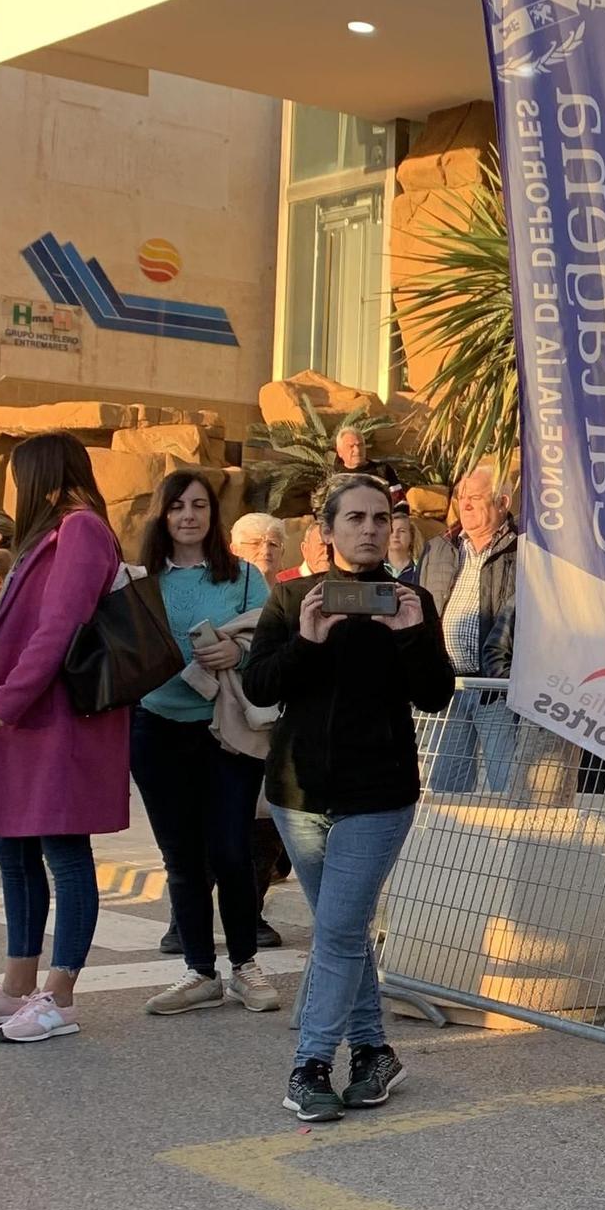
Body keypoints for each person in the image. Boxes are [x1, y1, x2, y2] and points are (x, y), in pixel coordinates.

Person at [244, 473, 455, 1120]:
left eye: (378, 519)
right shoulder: (293, 601)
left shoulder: (408, 599)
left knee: (335, 931)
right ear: (327, 532)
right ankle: (372, 1051)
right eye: (354, 519)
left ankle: (311, 1064)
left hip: (377, 795)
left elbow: (435, 694)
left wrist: (413, 634)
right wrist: (307, 640)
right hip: (297, 794)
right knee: (345, 928)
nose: (368, 529)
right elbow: (259, 687)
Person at [0, 434, 131, 1043]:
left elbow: (60, 628)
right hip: (28, 721)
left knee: (65, 855)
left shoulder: (81, 529)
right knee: (14, 850)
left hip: (54, 718)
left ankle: (60, 995)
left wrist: (4, 703)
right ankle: (19, 981)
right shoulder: (50, 533)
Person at [130, 471, 280, 1017]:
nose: (188, 515)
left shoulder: (243, 578)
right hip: (155, 727)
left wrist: (237, 657)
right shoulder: (139, 579)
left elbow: (271, 647)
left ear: (214, 516)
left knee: (230, 850)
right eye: (177, 506)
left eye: (199, 505)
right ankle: (198, 972)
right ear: (162, 515)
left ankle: (244, 965)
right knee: (182, 858)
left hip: (226, 732)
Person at [418, 461, 518, 794]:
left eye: (476, 496)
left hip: (496, 689)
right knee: (445, 786)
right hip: (448, 685)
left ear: (503, 503)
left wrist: (506, 673)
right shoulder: (439, 548)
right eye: (462, 497)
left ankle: (513, 847)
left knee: (509, 784)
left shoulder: (523, 551)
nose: (467, 504)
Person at [228, 512, 294, 951]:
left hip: (276, 729)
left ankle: (252, 913)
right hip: (225, 724)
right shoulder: (225, 593)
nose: (264, 552)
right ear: (234, 549)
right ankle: (182, 919)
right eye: (254, 544)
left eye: (272, 543)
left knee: (264, 822)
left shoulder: (290, 596)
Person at [331, 425, 406, 507]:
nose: (357, 450)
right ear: (340, 451)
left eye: (360, 445)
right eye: (351, 446)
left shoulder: (383, 470)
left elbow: (400, 503)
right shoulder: (335, 478)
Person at [230, 513, 287, 582]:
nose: (266, 551)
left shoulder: (295, 591)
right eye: (255, 543)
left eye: (273, 544)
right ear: (235, 550)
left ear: (282, 552)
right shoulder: (220, 591)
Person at [386, 515, 425, 585]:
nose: (395, 535)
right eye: (391, 530)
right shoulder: (373, 566)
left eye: (402, 531)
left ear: (411, 536)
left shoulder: (421, 568)